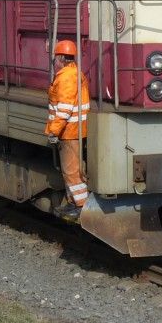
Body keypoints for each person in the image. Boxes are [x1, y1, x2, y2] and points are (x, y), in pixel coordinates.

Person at [45, 39, 91, 214]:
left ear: (61, 58)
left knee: (72, 171)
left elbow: (64, 108)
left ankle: (81, 207)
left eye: (55, 57)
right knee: (72, 170)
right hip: (73, 129)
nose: (54, 61)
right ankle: (74, 202)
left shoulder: (67, 77)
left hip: (69, 131)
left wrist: (53, 131)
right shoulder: (74, 73)